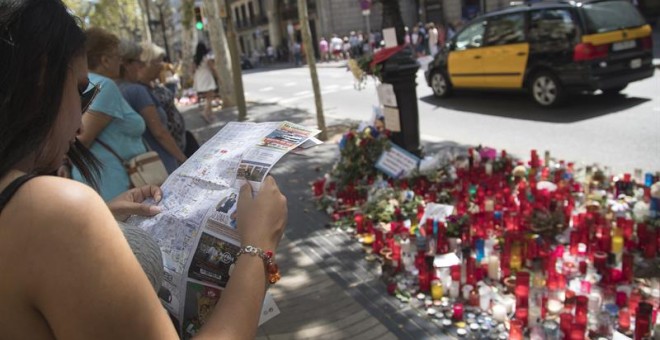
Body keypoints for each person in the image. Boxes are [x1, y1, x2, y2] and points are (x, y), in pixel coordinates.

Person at [0, 1, 288, 339]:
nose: (80, 121)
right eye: (81, 91)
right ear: (40, 79)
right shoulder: (50, 210)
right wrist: (257, 247)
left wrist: (106, 219)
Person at [72, 27, 149, 201]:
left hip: (99, 179)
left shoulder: (80, 84)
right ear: (105, 60)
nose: (120, 63)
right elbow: (82, 138)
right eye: (117, 57)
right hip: (114, 182)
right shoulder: (104, 86)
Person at [118, 41, 187, 173]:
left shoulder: (119, 89)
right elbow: (159, 131)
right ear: (127, 65)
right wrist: (183, 159)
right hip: (162, 162)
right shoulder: (136, 91)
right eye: (138, 62)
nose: (141, 66)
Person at [193, 42, 218, 123]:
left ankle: (210, 114)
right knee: (210, 97)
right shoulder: (207, 58)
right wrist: (218, 77)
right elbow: (212, 68)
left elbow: (192, 70)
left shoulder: (195, 59)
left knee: (208, 97)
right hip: (207, 77)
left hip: (199, 78)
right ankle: (205, 112)